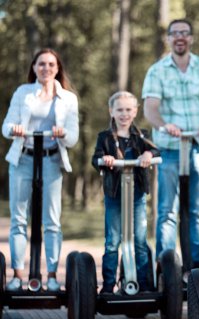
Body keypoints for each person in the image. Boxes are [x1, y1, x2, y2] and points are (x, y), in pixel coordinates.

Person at [142, 19, 199, 268]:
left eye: (185, 33)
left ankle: (195, 267)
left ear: (191, 38)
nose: (180, 37)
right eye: (175, 33)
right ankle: (167, 267)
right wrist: (163, 125)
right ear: (168, 38)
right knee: (167, 210)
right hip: (169, 147)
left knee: (197, 211)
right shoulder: (157, 71)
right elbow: (151, 108)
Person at [2, 48, 79, 291]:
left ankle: (53, 277)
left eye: (51, 65)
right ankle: (17, 276)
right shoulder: (23, 93)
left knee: (52, 221)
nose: (46, 68)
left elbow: (73, 137)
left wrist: (62, 133)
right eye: (41, 64)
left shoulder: (68, 98)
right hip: (23, 159)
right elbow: (6, 127)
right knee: (19, 219)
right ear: (34, 67)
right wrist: (15, 129)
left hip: (51, 160)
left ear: (58, 69)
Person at [92, 91, 160, 294]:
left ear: (135, 111)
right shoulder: (104, 138)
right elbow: (96, 158)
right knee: (112, 241)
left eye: (128, 109)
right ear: (111, 111)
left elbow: (156, 151)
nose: (124, 114)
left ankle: (144, 285)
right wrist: (105, 160)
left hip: (136, 195)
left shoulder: (141, 136)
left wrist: (149, 153)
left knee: (139, 240)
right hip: (114, 195)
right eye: (119, 109)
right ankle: (108, 284)